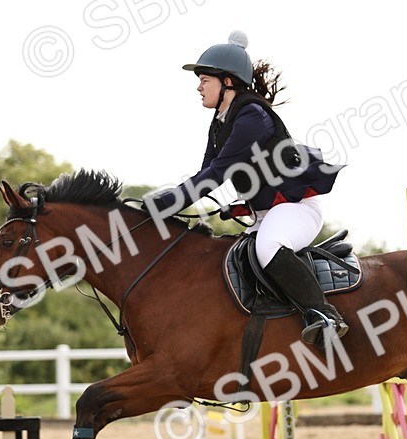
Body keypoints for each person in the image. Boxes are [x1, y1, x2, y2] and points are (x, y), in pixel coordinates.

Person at [146, 31, 347, 348]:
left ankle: (325, 317)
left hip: (295, 210)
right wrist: (167, 203)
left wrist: (167, 203)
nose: (198, 87)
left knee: (267, 248)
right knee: (231, 259)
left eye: (204, 80)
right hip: (265, 213)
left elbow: (216, 174)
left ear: (227, 81)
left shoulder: (252, 116)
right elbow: (207, 172)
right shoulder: (221, 120)